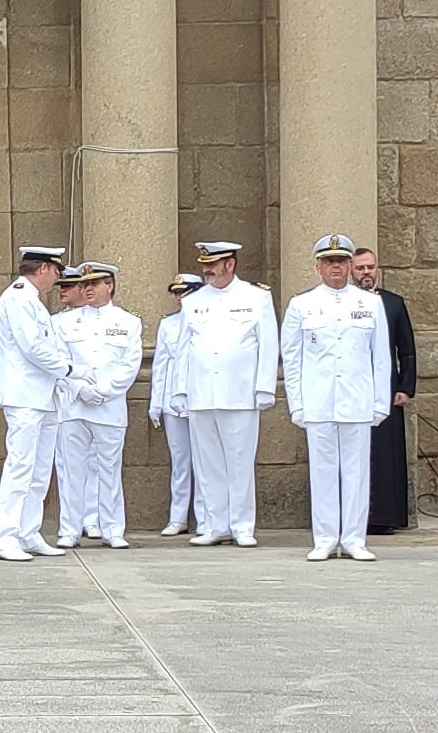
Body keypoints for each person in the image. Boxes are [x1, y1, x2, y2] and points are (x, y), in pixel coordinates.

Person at [281, 234, 391, 562]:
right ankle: (325, 538)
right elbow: (293, 358)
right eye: (329, 262)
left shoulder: (369, 303)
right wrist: (296, 403)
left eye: (342, 262)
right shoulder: (302, 304)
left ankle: (355, 539)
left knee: (356, 472)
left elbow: (381, 358)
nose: (336, 268)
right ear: (318, 266)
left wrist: (379, 402)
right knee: (324, 471)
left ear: (350, 266)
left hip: (357, 399)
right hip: (318, 400)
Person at [172, 241, 278, 548]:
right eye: (204, 264)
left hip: (240, 392)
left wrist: (264, 387)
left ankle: (242, 525)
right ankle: (215, 525)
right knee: (208, 464)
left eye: (213, 264)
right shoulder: (194, 300)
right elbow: (184, 349)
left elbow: (268, 345)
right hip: (202, 392)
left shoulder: (256, 296)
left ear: (230, 264)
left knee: (240, 462)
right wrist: (180, 389)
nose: (207, 269)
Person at [0, 246, 83, 561]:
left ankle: (28, 532)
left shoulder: (33, 302)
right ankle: (6, 538)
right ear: (43, 268)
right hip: (25, 395)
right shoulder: (18, 298)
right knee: (21, 466)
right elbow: (32, 347)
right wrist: (67, 368)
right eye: (56, 271)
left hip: (43, 395)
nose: (58, 278)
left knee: (40, 469)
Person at [54, 262, 142, 549]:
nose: (88, 288)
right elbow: (59, 360)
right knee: (72, 470)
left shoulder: (128, 322)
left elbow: (129, 365)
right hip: (74, 404)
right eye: (85, 283)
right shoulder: (63, 322)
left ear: (110, 286)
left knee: (109, 469)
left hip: (109, 406)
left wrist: (103, 391)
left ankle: (113, 529)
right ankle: (69, 529)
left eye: (96, 283)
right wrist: (79, 389)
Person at [352, 247, 417, 534]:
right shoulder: (344, 304)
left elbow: (407, 351)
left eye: (370, 267)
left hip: (387, 389)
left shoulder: (393, 303)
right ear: (352, 270)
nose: (366, 273)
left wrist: (406, 387)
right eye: (360, 268)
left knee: (385, 452)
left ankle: (385, 517)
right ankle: (356, 517)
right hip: (353, 388)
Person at [148, 274, 206, 537]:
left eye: (185, 292)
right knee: (180, 460)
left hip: (200, 398)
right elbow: (160, 365)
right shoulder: (168, 325)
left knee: (205, 461)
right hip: (173, 399)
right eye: (177, 293)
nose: (179, 298)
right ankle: (178, 516)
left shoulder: (206, 320)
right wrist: (156, 403)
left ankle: (205, 517)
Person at [56, 266, 101, 540]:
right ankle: (71, 521)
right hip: (69, 399)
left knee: (98, 462)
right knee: (68, 465)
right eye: (61, 285)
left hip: (101, 400)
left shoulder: (109, 320)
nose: (62, 290)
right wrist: (79, 387)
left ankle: (92, 518)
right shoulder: (54, 322)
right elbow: (57, 362)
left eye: (69, 286)